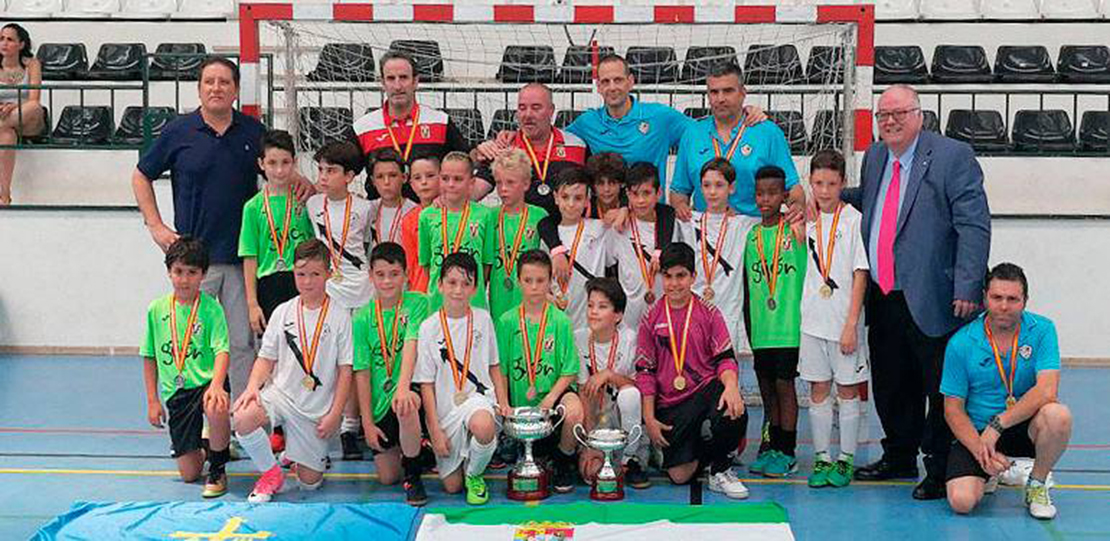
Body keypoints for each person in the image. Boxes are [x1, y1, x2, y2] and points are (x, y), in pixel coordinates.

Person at [846, 84, 991, 501]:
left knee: (937, 385)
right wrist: (831, 196)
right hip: (883, 292)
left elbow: (974, 224)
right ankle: (899, 455)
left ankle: (940, 465)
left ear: (919, 116)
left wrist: (968, 284)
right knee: (892, 382)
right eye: (883, 115)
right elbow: (873, 204)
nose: (889, 121)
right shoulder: (875, 157)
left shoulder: (952, 156)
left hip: (935, 293)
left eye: (898, 113)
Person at [133, 57, 276, 401]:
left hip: (242, 260)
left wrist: (301, 182)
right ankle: (195, 421)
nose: (216, 88)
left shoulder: (254, 132)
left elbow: (277, 166)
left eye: (224, 82)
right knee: (194, 344)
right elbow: (141, 175)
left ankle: (243, 420)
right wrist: (155, 225)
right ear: (199, 88)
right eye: (209, 82)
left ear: (236, 89)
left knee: (242, 343)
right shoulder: (178, 131)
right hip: (197, 262)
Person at [941, 263, 1071, 520]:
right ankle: (991, 470)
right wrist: (982, 450)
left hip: (1023, 424)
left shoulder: (1043, 330)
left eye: (1013, 299)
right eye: (997, 297)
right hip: (978, 430)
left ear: (1025, 301)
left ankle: (1036, 483)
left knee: (1058, 416)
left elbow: (1047, 390)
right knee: (962, 502)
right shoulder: (962, 342)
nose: (1004, 306)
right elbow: (952, 410)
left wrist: (998, 425)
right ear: (984, 298)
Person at [232, 239, 354, 503]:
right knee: (243, 417)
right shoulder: (282, 312)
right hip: (281, 398)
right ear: (293, 273)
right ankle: (271, 473)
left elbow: (346, 372)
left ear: (329, 274)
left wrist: (335, 415)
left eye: (315, 274)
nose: (307, 281)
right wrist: (252, 387)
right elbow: (266, 359)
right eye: (301, 274)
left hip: (315, 411)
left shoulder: (341, 316)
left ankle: (295, 454)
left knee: (310, 485)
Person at [636, 243, 749, 498]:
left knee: (733, 407)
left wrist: (732, 387)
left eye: (681, 276)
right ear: (660, 277)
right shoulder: (650, 317)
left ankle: (721, 469)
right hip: (671, 403)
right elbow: (645, 372)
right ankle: (712, 443)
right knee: (679, 476)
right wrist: (650, 419)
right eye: (668, 276)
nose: (674, 283)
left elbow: (725, 359)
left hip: (704, 390)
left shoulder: (708, 312)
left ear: (693, 277)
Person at [798, 150, 870, 488]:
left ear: (843, 183)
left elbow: (860, 273)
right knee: (818, 389)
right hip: (812, 320)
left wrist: (851, 323)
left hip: (843, 322)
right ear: (810, 183)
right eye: (818, 183)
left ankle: (846, 459)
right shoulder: (806, 219)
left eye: (831, 184)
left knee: (847, 389)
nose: (824, 191)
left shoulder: (854, 219)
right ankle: (823, 457)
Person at [413, 252, 508, 505]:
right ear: (440, 284)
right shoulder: (428, 328)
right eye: (452, 282)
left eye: (466, 284)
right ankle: (470, 456)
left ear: (476, 288)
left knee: (484, 425)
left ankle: (475, 474)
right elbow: (426, 383)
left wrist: (503, 401)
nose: (458, 290)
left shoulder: (483, 318)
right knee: (452, 487)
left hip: (478, 399)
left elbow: (494, 365)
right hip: (446, 409)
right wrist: (434, 429)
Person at [140, 237, 231, 498]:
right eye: (179, 271)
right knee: (189, 474)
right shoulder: (156, 310)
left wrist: (216, 385)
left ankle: (218, 465)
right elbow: (148, 356)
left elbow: (222, 350)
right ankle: (206, 445)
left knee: (216, 404)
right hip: (177, 391)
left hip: (206, 383)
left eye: (192, 273)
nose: (184, 279)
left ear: (203, 275)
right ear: (169, 271)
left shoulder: (211, 309)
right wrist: (152, 401)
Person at [494, 250, 584, 493]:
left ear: (550, 280)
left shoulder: (560, 321)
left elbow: (570, 371)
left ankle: (563, 460)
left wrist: (551, 398)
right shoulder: (506, 321)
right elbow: (500, 369)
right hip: (521, 411)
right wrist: (504, 405)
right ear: (519, 280)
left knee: (574, 410)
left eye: (541, 281)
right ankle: (519, 445)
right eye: (528, 280)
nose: (534, 287)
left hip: (551, 404)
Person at [671, 63, 804, 223]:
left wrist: (796, 206)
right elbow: (679, 190)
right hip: (706, 232)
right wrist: (680, 206)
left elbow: (792, 188)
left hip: (754, 233)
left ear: (743, 93)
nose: (720, 98)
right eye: (714, 92)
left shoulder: (768, 133)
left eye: (728, 91)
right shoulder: (692, 134)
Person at [352, 242, 430, 506]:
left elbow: (411, 344)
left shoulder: (418, 303)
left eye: (395, 274)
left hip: (410, 392)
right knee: (386, 478)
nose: (387, 281)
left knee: (406, 406)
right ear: (370, 276)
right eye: (381, 274)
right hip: (380, 402)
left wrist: (403, 387)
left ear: (406, 275)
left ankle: (413, 475)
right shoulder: (362, 318)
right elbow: (361, 371)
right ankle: (417, 451)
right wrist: (367, 422)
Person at [743, 165, 807, 478]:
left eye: (772, 193)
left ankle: (788, 450)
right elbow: (746, 287)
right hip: (761, 329)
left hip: (788, 327)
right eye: (760, 193)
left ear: (784, 196)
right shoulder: (752, 235)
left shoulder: (797, 231)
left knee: (785, 387)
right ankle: (769, 446)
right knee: (766, 390)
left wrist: (801, 217)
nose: (765, 199)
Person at [351, 51, 469, 200]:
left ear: (415, 81)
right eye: (391, 78)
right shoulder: (363, 127)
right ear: (383, 83)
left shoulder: (440, 122)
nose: (397, 86)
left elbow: (469, 164)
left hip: (431, 217)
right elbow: (340, 171)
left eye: (404, 78)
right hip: (381, 217)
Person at [575, 277, 649, 489]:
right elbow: (583, 392)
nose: (593, 312)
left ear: (617, 315)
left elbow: (638, 386)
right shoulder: (578, 339)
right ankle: (597, 455)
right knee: (592, 475)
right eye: (590, 305)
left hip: (621, 419)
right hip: (594, 422)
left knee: (629, 395)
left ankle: (630, 458)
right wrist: (590, 444)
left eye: (602, 306)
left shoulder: (630, 339)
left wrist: (609, 375)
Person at [240, 129, 315, 335]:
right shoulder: (253, 207)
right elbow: (250, 257)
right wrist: (252, 304)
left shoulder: (306, 201)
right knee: (272, 353)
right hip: (268, 285)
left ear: (295, 162)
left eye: (285, 162)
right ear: (261, 164)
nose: (279, 170)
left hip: (302, 282)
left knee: (306, 346)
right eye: (272, 163)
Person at [472, 83, 589, 214]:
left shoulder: (577, 145)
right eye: (522, 108)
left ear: (551, 110)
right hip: (520, 231)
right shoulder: (505, 148)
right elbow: (473, 193)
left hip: (568, 229)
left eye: (536, 108)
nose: (528, 114)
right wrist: (477, 153)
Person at [690, 158, 759, 354]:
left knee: (728, 376)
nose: (712, 192)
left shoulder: (744, 224)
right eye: (707, 185)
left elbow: (777, 218)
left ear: (732, 188)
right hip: (695, 315)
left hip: (728, 316)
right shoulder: (688, 222)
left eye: (719, 185)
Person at [611, 163, 688, 330]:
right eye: (635, 194)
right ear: (627, 195)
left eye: (646, 193)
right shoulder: (619, 226)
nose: (640, 200)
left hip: (667, 315)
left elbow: (668, 212)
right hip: (629, 320)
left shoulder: (674, 224)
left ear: (659, 193)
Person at [417, 152, 497, 312]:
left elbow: (486, 264)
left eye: (458, 179)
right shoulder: (427, 216)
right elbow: (426, 264)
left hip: (473, 302)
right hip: (438, 303)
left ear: (472, 182)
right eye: (445, 178)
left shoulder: (484, 215)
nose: (451, 184)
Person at [306, 140, 374, 311]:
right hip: (330, 287)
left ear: (349, 176)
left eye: (331, 171)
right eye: (321, 169)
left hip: (360, 286)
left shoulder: (365, 207)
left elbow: (366, 242)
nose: (323, 176)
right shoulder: (312, 205)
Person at [545, 166, 612, 332]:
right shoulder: (547, 237)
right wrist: (547, 297)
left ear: (588, 200)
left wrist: (623, 210)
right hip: (557, 322)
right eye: (565, 197)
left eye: (578, 198)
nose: (571, 204)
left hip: (591, 324)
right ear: (556, 198)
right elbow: (542, 278)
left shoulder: (600, 229)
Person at [488, 149, 548, 322]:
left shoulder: (539, 216)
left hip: (531, 299)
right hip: (498, 299)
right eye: (499, 183)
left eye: (510, 182)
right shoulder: (489, 217)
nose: (503, 189)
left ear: (526, 184)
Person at [0, 23, 45, 205]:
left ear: (21, 44)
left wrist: (15, 105)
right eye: (1, 39)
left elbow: (34, 97)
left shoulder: (32, 64)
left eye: (10, 39)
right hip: (4, 120)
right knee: (6, 136)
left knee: (34, 106)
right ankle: (4, 195)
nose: (4, 43)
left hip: (27, 119)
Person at [400, 155, 442, 293]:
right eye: (417, 178)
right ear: (411, 184)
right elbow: (411, 264)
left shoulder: (453, 212)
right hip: (421, 290)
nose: (424, 182)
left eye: (430, 176)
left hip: (450, 289)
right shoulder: (409, 220)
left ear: (442, 178)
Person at [367, 148, 419, 245]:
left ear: (404, 177)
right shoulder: (367, 210)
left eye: (393, 175)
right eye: (380, 177)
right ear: (373, 181)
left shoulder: (414, 211)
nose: (386, 182)